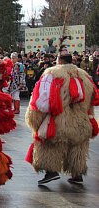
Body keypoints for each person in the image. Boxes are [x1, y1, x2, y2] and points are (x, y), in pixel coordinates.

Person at [25, 49, 98, 185]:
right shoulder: (84, 76)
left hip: (60, 120)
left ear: (59, 60)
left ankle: (51, 172)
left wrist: (35, 118)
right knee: (78, 148)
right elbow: (92, 99)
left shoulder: (51, 74)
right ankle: (77, 174)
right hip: (81, 121)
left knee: (51, 146)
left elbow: (43, 101)